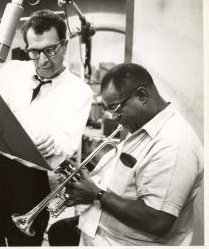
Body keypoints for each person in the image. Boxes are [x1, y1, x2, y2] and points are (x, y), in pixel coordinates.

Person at [0, 9, 93, 246]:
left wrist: (52, 143)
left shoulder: (79, 91)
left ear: (65, 45)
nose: (43, 60)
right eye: (34, 52)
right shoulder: (11, 71)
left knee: (23, 242)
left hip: (31, 178)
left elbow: (65, 145)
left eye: (50, 50)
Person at [49, 63, 203, 246]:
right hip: (102, 233)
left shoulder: (173, 143)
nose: (113, 117)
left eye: (115, 108)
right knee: (59, 230)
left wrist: (96, 195)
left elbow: (158, 221)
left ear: (142, 96)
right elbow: (127, 182)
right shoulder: (142, 127)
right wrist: (86, 183)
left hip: (124, 243)